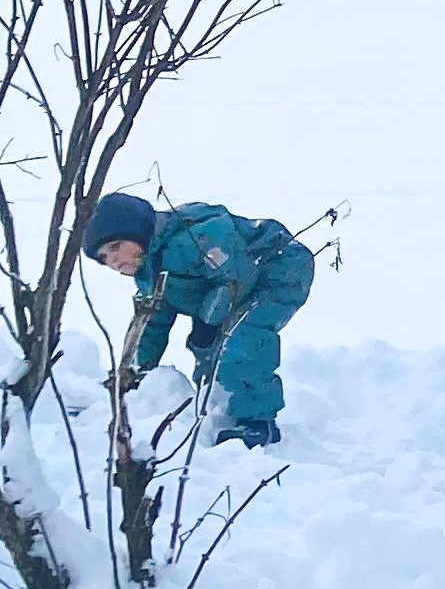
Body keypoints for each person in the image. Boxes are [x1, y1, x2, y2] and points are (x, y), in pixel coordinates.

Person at [80, 192, 315, 448]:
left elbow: (234, 280)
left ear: (137, 231)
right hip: (220, 294)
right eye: (103, 258)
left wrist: (208, 322)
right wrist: (136, 371)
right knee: (208, 352)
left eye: (115, 246)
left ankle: (258, 423)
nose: (112, 261)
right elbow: (152, 324)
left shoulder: (196, 236)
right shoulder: (148, 273)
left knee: (241, 337)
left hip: (276, 270)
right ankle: (219, 407)